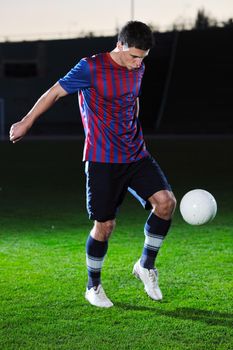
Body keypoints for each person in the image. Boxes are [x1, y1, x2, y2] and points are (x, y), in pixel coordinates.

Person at [9, 21, 176, 308]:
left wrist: (130, 119)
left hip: (136, 154)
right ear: (120, 45)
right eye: (134, 56)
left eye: (143, 58)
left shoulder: (139, 68)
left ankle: (145, 265)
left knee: (166, 203)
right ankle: (93, 286)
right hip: (102, 159)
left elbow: (132, 99)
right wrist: (27, 121)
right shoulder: (90, 67)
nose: (138, 64)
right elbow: (54, 92)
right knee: (105, 226)